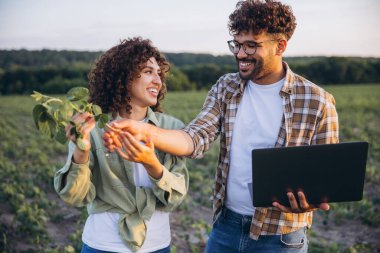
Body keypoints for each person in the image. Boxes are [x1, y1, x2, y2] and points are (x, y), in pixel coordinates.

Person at [104, 1, 339, 252]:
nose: (240, 54)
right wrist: (145, 130)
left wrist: (309, 202)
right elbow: (195, 137)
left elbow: (325, 178)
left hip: (281, 236)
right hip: (225, 227)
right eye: (236, 44)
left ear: (280, 45)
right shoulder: (226, 87)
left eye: (251, 45)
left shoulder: (317, 101)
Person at [54, 37, 188, 253]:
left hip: (157, 245)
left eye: (159, 74)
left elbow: (175, 198)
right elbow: (74, 196)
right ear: (123, 76)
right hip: (103, 244)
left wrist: (151, 163)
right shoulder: (92, 126)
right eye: (147, 71)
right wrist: (82, 150)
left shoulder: (171, 129)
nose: (158, 80)